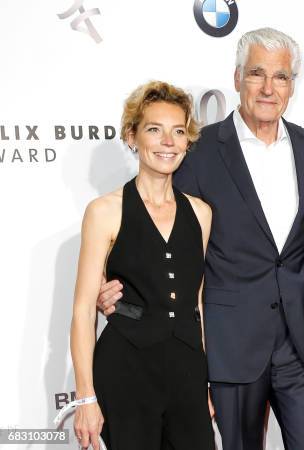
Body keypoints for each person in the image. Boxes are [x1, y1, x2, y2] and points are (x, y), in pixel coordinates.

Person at [96, 28, 304, 450]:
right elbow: (162, 228)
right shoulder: (199, 151)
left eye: (281, 77)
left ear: (292, 85)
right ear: (237, 77)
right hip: (231, 342)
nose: (268, 87)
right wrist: (113, 285)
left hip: (299, 342)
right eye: (257, 73)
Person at [70, 81, 214, 450]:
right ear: (132, 136)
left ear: (187, 141)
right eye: (155, 129)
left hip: (186, 373)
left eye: (178, 131)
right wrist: (86, 397)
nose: (168, 141)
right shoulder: (104, 211)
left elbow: (195, 305)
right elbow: (85, 309)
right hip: (126, 370)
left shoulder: (200, 213)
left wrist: (204, 385)